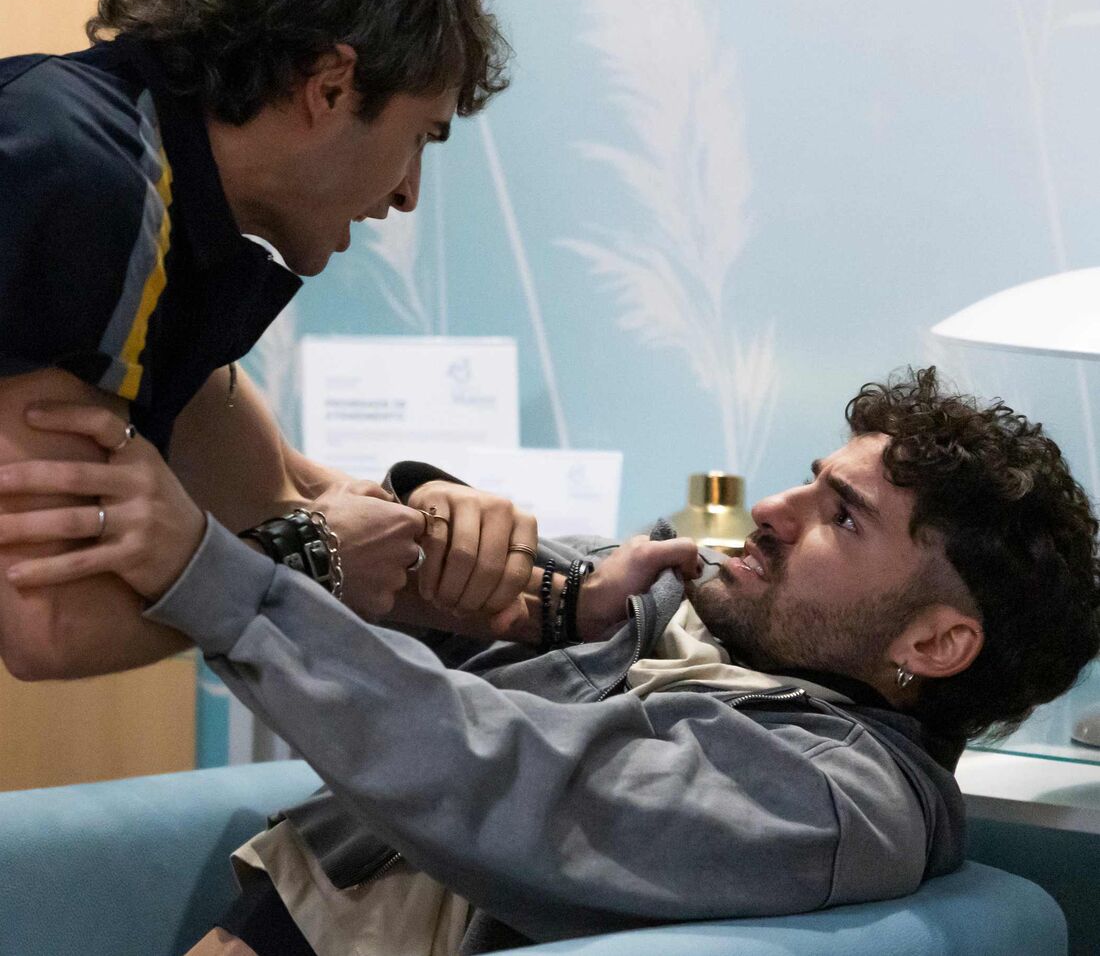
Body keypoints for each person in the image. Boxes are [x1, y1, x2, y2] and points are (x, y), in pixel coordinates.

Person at [0, 368, 1096, 955]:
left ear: (933, 643)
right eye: (810, 477)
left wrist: (210, 572)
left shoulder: (832, 799)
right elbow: (446, 585)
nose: (769, 506)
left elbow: (502, 775)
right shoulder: (686, 600)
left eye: (840, 517)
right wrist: (434, 514)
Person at [0, 0, 532, 682]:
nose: (407, 193)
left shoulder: (165, 204)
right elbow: (53, 620)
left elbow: (292, 504)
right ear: (331, 87)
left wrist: (529, 576)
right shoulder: (82, 176)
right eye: (419, 137)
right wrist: (316, 559)